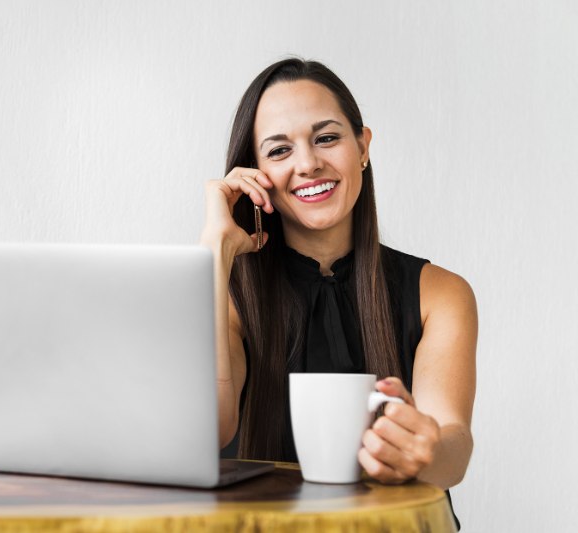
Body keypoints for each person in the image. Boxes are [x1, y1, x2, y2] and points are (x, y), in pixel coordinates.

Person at [200, 58, 477, 495]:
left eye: (326, 138)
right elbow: (207, 431)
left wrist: (425, 451)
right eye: (279, 150)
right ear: (255, 175)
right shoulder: (226, 297)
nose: (308, 164)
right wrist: (214, 251)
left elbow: (454, 448)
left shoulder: (439, 293)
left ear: (363, 147)